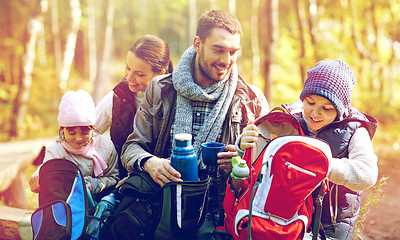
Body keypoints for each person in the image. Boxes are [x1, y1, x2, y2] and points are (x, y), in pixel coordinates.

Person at [121, 9, 269, 239]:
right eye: (218, 49)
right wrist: (150, 163)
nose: (226, 60)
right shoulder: (160, 89)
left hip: (221, 219)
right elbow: (131, 148)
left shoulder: (252, 100)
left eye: (233, 52)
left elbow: (266, 175)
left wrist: (241, 165)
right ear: (197, 44)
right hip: (163, 211)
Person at [239, 60, 378, 240]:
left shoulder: (355, 130)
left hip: (332, 224)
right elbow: (259, 160)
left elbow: (367, 174)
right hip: (288, 216)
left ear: (341, 109)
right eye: (310, 102)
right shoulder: (290, 120)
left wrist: (324, 166)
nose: (314, 112)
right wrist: (243, 145)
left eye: (326, 108)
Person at [95, 34, 173, 179]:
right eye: (128, 68)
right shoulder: (117, 97)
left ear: (160, 74)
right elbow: (84, 130)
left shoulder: (175, 101)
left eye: (139, 74)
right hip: (121, 182)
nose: (129, 78)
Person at [29, 89, 119, 199]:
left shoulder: (105, 147)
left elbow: (114, 178)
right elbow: (48, 176)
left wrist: (94, 184)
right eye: (71, 133)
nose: (78, 138)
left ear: (93, 128)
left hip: (96, 207)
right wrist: (39, 179)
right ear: (62, 129)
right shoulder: (56, 150)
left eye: (85, 132)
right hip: (64, 207)